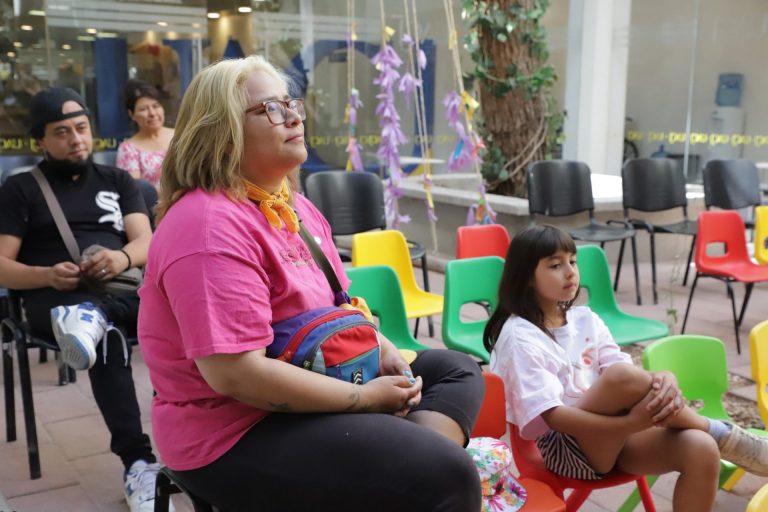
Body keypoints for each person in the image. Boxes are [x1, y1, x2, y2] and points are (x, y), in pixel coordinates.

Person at [138, 55, 485, 511]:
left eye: (292, 104)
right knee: (449, 474)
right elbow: (236, 375)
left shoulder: (293, 206)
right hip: (236, 429)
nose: (294, 117)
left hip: (321, 373)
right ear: (221, 130)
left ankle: (402, 477)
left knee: (456, 370)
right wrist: (365, 399)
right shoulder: (207, 226)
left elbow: (341, 304)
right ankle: (415, 475)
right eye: (271, 109)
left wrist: (382, 349)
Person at [485, 224, 768, 512]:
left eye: (573, 261)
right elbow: (555, 417)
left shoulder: (585, 319)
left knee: (701, 448)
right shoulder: (520, 337)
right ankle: (722, 434)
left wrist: (663, 378)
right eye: (556, 265)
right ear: (527, 278)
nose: (570, 272)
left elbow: (623, 373)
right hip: (566, 449)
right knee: (622, 377)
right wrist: (629, 425)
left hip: (615, 437)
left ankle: (715, 437)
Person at [0, 87, 164, 512]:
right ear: (40, 140)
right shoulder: (21, 189)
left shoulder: (117, 180)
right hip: (52, 300)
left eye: (82, 128)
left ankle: (204, 444)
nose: (76, 139)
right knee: (105, 338)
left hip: (116, 290)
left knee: (181, 308)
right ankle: (138, 463)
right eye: (62, 132)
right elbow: (1, 265)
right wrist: (45, 275)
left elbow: (146, 241)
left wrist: (121, 257)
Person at [115, 79, 174, 188]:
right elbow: (134, 190)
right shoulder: (128, 149)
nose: (152, 113)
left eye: (156, 106)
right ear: (132, 114)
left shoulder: (180, 136)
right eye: (143, 109)